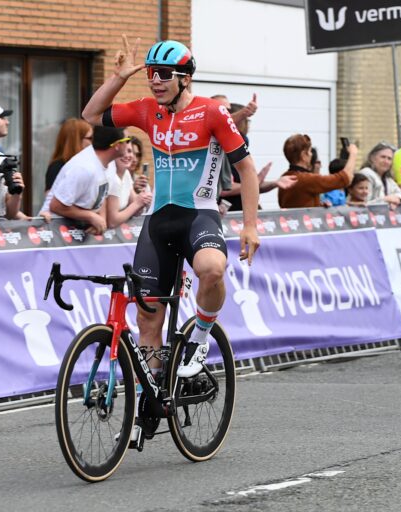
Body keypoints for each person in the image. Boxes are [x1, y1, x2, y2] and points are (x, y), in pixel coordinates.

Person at [82, 37, 260, 392]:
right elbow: (90, 115)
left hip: (198, 216)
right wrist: (118, 77)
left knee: (211, 270)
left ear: (185, 78)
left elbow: (248, 169)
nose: (155, 80)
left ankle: (201, 336)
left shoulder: (211, 112)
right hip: (157, 223)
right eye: (151, 73)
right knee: (148, 320)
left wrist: (250, 226)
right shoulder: (149, 111)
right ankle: (152, 394)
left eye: (163, 73)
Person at [39, 125, 129, 234]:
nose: (129, 145)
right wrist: (91, 216)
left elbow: (103, 194)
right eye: (127, 140)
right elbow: (56, 205)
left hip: (78, 230)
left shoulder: (110, 164)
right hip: (54, 231)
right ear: (117, 145)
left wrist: (101, 220)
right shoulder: (84, 168)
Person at [218, 101, 296, 211]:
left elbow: (250, 186)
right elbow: (223, 188)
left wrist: (275, 183)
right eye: (246, 120)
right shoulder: (223, 147)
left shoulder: (239, 148)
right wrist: (254, 182)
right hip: (229, 215)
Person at [277, 133, 355, 208]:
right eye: (310, 151)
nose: (311, 155)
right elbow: (345, 178)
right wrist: (353, 153)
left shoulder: (285, 177)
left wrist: (317, 205)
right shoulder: (307, 179)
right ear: (304, 155)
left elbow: (297, 203)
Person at [105, 135, 152, 227]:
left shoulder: (125, 174)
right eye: (123, 151)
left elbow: (137, 211)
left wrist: (144, 198)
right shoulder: (112, 177)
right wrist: (138, 202)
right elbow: (112, 221)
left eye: (130, 151)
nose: (128, 156)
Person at [45, 118, 93, 193]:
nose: (93, 142)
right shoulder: (57, 167)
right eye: (90, 138)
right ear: (77, 140)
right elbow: (51, 201)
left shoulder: (88, 163)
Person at [357, 141, 401, 207]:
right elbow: (363, 203)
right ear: (372, 158)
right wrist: (386, 199)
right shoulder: (366, 174)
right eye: (383, 157)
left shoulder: (388, 179)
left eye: (389, 159)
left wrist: (396, 199)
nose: (386, 161)